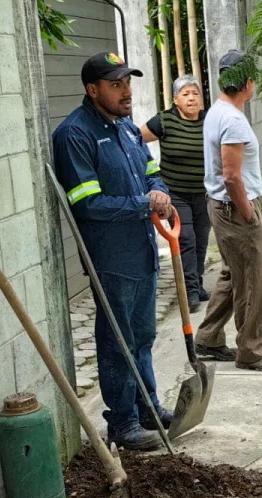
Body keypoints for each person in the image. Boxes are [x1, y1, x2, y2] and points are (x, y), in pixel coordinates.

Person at [52, 52, 175, 452]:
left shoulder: (127, 129)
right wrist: (145, 203)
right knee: (118, 341)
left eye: (128, 83)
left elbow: (151, 173)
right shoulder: (75, 134)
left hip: (142, 251)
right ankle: (122, 422)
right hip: (111, 259)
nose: (126, 91)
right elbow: (87, 204)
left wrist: (161, 192)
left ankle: (148, 407)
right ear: (93, 89)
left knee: (142, 335)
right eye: (116, 84)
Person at [195, 49, 262, 371]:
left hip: (221, 207)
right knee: (251, 279)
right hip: (234, 208)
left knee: (233, 274)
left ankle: (207, 337)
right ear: (247, 82)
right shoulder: (232, 120)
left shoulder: (217, 111)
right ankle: (251, 350)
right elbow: (232, 176)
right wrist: (248, 212)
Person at [140, 76, 211, 313]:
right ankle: (190, 291)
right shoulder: (165, 121)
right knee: (186, 238)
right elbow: (135, 140)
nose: (191, 98)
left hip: (204, 193)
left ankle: (197, 282)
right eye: (185, 94)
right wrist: (149, 176)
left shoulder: (209, 120)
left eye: (195, 93)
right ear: (175, 100)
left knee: (201, 239)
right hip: (176, 194)